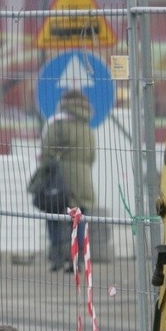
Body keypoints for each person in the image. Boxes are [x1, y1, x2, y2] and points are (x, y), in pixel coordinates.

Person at [37, 89, 96, 272]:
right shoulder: (87, 127)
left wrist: (45, 171)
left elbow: (47, 152)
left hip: (60, 180)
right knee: (78, 219)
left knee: (53, 215)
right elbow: (91, 156)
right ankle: (77, 261)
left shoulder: (59, 123)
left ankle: (57, 258)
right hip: (84, 180)